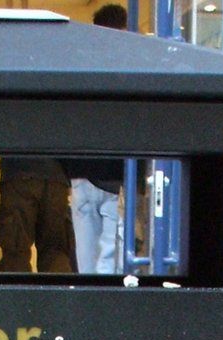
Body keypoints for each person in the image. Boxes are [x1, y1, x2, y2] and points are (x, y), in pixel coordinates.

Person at [66, 3, 128, 274]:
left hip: (82, 173)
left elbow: (65, 119)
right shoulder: (132, 70)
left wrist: (70, 168)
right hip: (117, 178)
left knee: (86, 265)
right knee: (110, 266)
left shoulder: (79, 67)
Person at [0, 158, 76, 273]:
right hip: (57, 176)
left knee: (15, 251)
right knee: (56, 252)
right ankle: (57, 290)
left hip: (17, 173)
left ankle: (16, 290)